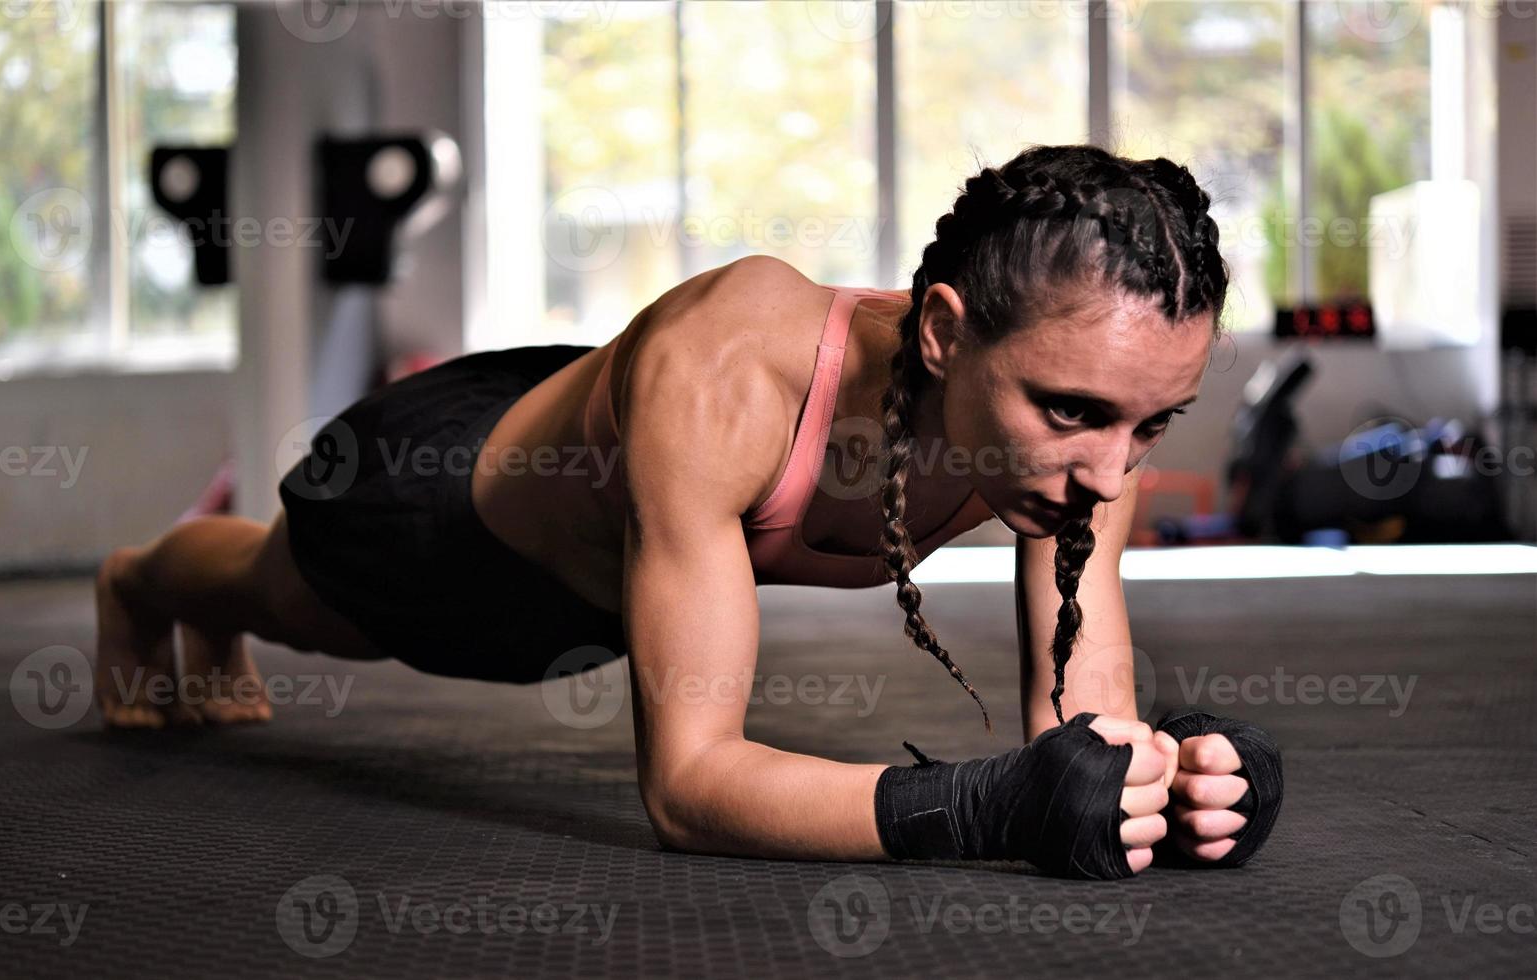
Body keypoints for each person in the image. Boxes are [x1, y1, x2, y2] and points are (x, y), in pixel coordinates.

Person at [95, 144, 1281, 878]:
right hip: (438, 508)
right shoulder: (734, 371)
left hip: (617, 576)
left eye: (1152, 424)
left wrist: (1167, 789)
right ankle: (143, 589)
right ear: (941, 332)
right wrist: (976, 806)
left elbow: (1079, 733)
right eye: (1072, 411)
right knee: (286, 593)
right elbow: (691, 787)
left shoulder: (1088, 444)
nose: (1113, 473)